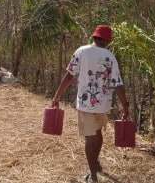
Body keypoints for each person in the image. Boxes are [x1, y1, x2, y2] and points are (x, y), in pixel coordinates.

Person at [51, 25, 129, 183]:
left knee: (89, 138)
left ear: (94, 37)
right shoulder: (110, 57)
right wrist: (125, 105)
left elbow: (69, 76)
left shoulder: (81, 51)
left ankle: (92, 174)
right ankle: (95, 164)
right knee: (97, 132)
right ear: (107, 40)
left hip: (86, 103)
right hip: (103, 104)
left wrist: (57, 96)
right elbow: (117, 83)